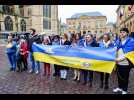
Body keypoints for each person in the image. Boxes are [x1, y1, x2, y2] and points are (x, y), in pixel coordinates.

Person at [113, 28, 134, 94]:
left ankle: (124, 90)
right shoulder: (118, 41)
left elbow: (128, 54)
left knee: (125, 77)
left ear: (127, 33)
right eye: (121, 32)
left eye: (123, 32)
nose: (122, 33)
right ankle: (120, 87)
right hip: (118, 63)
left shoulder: (131, 41)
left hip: (126, 63)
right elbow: (114, 49)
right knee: (119, 76)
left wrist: (118, 59)